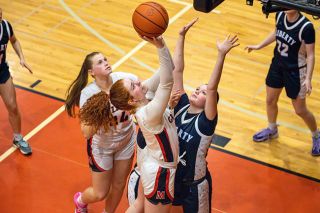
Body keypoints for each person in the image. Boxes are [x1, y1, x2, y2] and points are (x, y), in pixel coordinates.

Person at [170, 21, 239, 213]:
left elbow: (212, 87)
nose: (198, 91)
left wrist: (221, 54)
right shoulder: (181, 105)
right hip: (173, 177)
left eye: (203, 92)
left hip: (195, 185)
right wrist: (181, 37)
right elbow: (177, 70)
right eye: (198, 89)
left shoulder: (206, 122)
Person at [65, 52, 138, 213]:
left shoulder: (125, 80)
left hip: (126, 140)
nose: (106, 62)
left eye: (105, 59)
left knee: (119, 185)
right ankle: (80, 200)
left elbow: (143, 93)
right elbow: (86, 132)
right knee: (100, 193)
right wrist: (103, 108)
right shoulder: (89, 94)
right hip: (102, 146)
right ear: (92, 72)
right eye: (100, 62)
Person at [245, 10, 320, 156]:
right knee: (270, 100)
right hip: (277, 65)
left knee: (300, 110)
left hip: (296, 71)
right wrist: (259, 45)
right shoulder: (279, 14)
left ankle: (316, 135)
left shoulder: (306, 27)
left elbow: (310, 55)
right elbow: (276, 32)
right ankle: (272, 129)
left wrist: (308, 78)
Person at [0, 8, 33, 155]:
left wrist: (22, 57)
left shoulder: (6, 26)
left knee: (12, 106)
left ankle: (18, 138)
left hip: (2, 71)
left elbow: (14, 40)